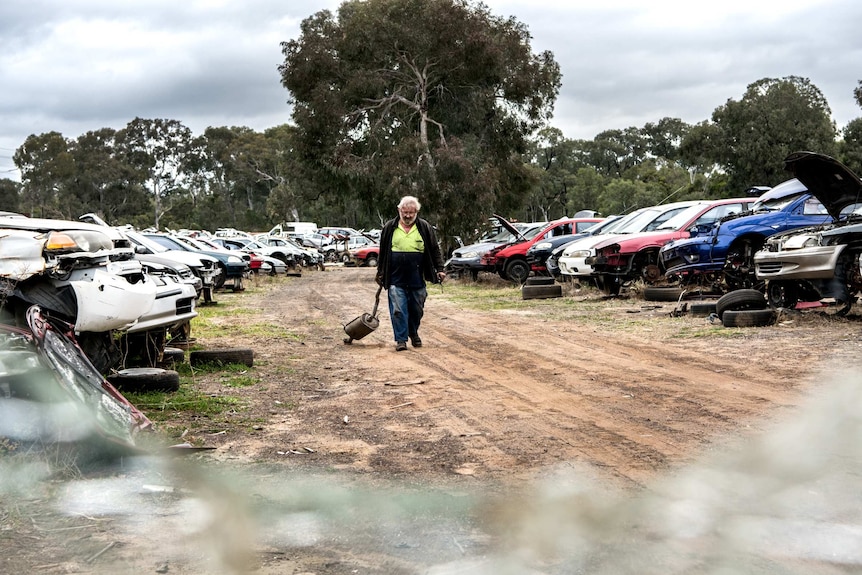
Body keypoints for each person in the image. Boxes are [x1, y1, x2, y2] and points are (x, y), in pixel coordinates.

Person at [376, 195, 446, 351]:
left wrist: (440, 269)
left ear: (417, 212)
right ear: (399, 210)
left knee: (416, 308)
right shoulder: (389, 227)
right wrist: (380, 272)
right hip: (395, 277)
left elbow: (434, 249)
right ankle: (401, 339)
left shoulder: (424, 227)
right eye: (405, 212)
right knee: (398, 309)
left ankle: (413, 332)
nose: (407, 216)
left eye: (411, 213)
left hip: (417, 277)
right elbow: (383, 253)